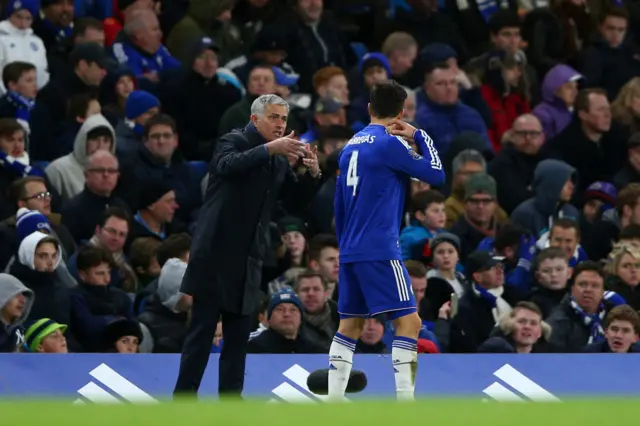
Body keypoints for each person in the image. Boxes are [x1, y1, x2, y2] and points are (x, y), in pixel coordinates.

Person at [173, 94, 320, 398]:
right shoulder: (234, 140)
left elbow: (294, 201)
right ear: (255, 120)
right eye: (273, 117)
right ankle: (182, 404)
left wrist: (311, 172)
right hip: (215, 257)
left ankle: (231, 409)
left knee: (238, 343)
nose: (280, 124)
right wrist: (269, 149)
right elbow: (227, 166)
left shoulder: (277, 159)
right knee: (200, 338)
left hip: (249, 261)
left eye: (283, 118)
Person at [330, 80, 445, 401]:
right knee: (410, 322)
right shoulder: (390, 143)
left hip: (351, 249)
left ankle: (334, 402)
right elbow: (436, 174)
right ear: (401, 113)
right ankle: (405, 404)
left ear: (369, 109)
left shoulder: (350, 146)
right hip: (380, 248)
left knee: (349, 325)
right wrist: (420, 136)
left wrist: (346, 246)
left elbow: (338, 206)